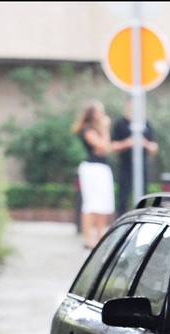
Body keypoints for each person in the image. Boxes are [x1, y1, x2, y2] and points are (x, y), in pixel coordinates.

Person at [71, 101, 116, 248]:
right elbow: (101, 147)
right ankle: (87, 238)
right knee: (91, 204)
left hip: (102, 167)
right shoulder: (87, 130)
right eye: (99, 111)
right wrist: (105, 129)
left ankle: (100, 236)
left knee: (103, 203)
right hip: (91, 168)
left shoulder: (98, 130)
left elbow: (107, 148)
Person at [110, 99, 159, 216]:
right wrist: (127, 143)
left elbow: (154, 147)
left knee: (144, 197)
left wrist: (144, 143)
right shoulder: (120, 123)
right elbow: (112, 146)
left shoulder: (145, 123)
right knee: (123, 197)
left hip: (142, 167)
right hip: (125, 166)